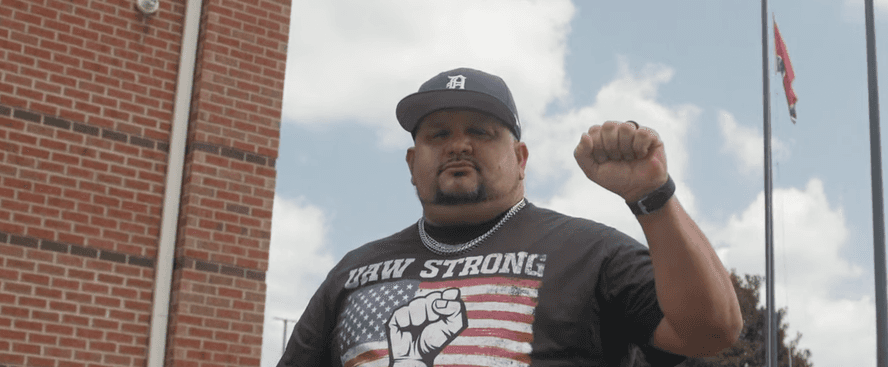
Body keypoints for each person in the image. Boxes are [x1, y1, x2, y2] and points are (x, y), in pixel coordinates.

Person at [277, 67, 741, 367]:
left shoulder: (589, 252)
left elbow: (711, 330)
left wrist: (652, 196)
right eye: (438, 135)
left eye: (481, 132)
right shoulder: (353, 273)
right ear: (410, 164)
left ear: (520, 158)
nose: (459, 145)